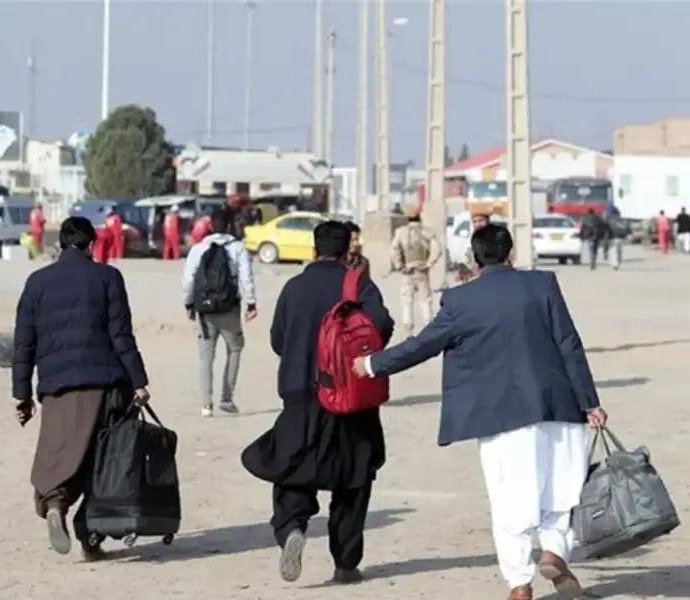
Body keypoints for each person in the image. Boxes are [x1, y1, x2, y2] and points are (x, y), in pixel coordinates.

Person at [353, 224, 607, 600]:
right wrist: (590, 402)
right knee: (559, 491)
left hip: (501, 417)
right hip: (560, 405)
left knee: (510, 500)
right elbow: (569, 343)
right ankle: (554, 551)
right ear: (511, 254)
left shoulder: (460, 301)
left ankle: (519, 584)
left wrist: (373, 365)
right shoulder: (544, 285)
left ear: (474, 259)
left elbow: (422, 345)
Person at [241, 221, 394, 585]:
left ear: (313, 250)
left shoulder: (293, 288)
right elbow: (382, 327)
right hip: (350, 396)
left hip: (299, 394)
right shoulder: (357, 284)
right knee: (353, 479)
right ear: (347, 251)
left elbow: (279, 340)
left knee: (293, 469)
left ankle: (292, 527)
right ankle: (345, 562)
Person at [12, 216, 150, 561]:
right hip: (105, 384)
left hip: (57, 386)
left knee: (61, 450)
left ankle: (56, 503)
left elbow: (24, 343)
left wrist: (22, 395)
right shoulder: (108, 277)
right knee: (102, 461)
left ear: (61, 244)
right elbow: (121, 336)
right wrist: (139, 381)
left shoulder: (37, 282)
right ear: (91, 245)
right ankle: (90, 537)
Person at [182, 208, 257, 416]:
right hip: (229, 307)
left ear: (210, 226)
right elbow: (246, 278)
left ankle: (206, 404)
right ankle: (226, 397)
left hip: (205, 310)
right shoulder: (238, 248)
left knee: (206, 356)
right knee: (235, 349)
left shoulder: (199, 248)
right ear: (230, 225)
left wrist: (188, 304)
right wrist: (250, 303)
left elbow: (188, 279)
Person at [391, 206, 442, 336]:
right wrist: (428, 264)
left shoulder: (400, 232)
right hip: (422, 270)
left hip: (407, 271)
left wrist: (400, 266)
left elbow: (394, 249)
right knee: (425, 300)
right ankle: (428, 328)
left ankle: (408, 330)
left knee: (406, 301)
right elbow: (437, 250)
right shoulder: (426, 232)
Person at [456, 213, 490, 282]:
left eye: (481, 220)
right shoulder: (470, 243)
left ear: (488, 222)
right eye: (475, 222)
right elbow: (468, 264)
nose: (478, 224)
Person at [606, 205, 629, 270]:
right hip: (621, 237)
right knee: (619, 251)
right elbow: (626, 227)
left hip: (612, 238)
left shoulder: (609, 219)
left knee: (613, 251)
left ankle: (614, 264)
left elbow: (606, 228)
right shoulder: (621, 219)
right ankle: (618, 262)